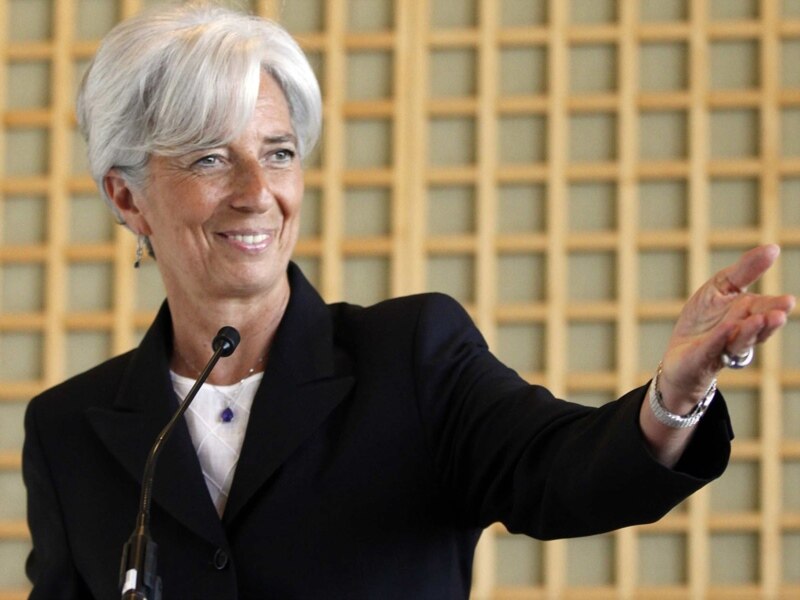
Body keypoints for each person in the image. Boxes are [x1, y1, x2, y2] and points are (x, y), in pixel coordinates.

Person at [22, 2, 795, 599]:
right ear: (127, 197)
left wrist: (673, 397)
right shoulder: (68, 433)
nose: (257, 193)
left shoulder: (412, 356)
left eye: (278, 153)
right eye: (209, 159)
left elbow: (563, 473)